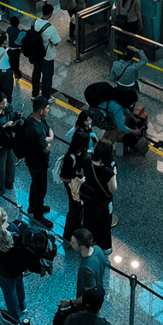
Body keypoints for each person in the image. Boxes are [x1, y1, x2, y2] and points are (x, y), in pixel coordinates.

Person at [79, 141, 117, 253]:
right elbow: (113, 188)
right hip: (102, 201)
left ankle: (89, 241)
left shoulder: (87, 161)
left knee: (88, 220)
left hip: (89, 197)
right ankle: (105, 246)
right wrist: (114, 173)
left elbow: (81, 173)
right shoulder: (108, 171)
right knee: (104, 223)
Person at [60, 113, 93, 242]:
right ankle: (68, 235)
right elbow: (64, 177)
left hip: (77, 184)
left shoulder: (81, 154)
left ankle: (76, 228)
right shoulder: (70, 158)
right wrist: (76, 179)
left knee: (78, 208)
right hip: (72, 185)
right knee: (74, 209)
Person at [23, 96, 55, 228]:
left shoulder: (36, 118)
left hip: (36, 161)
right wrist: (50, 138)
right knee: (40, 188)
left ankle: (33, 206)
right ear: (41, 110)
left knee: (36, 185)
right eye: (47, 108)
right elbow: (46, 148)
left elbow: (47, 129)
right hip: (37, 162)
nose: (48, 110)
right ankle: (38, 215)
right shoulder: (34, 128)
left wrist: (46, 137)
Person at [61, 228, 108, 307]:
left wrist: (70, 302)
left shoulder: (85, 269)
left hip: (86, 305)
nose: (70, 243)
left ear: (82, 247)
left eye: (73, 242)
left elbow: (90, 296)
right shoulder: (98, 249)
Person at [30, 5, 61, 101]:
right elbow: (56, 43)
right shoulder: (50, 29)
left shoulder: (34, 22)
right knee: (47, 77)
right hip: (47, 56)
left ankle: (34, 94)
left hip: (35, 54)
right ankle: (45, 97)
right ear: (51, 14)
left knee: (36, 73)